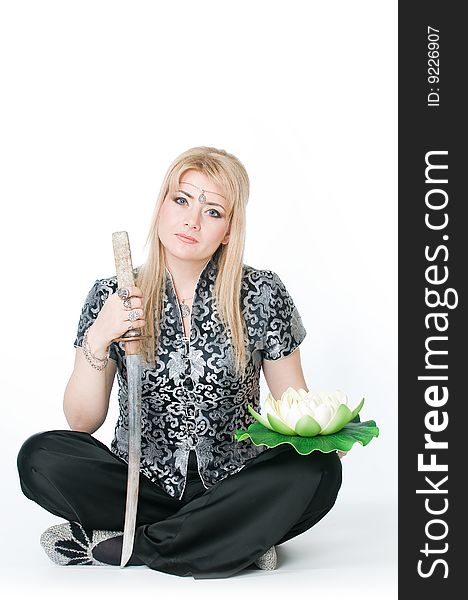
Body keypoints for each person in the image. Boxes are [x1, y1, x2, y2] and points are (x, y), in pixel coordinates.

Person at [17, 146, 343, 579]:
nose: (191, 220)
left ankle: (135, 544)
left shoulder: (263, 293)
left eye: (212, 211)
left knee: (318, 466)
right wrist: (100, 335)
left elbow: (292, 404)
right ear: (162, 207)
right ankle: (233, 539)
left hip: (234, 483)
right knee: (40, 455)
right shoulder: (109, 294)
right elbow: (81, 421)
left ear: (228, 230)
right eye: (182, 200)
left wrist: (324, 426)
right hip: (139, 485)